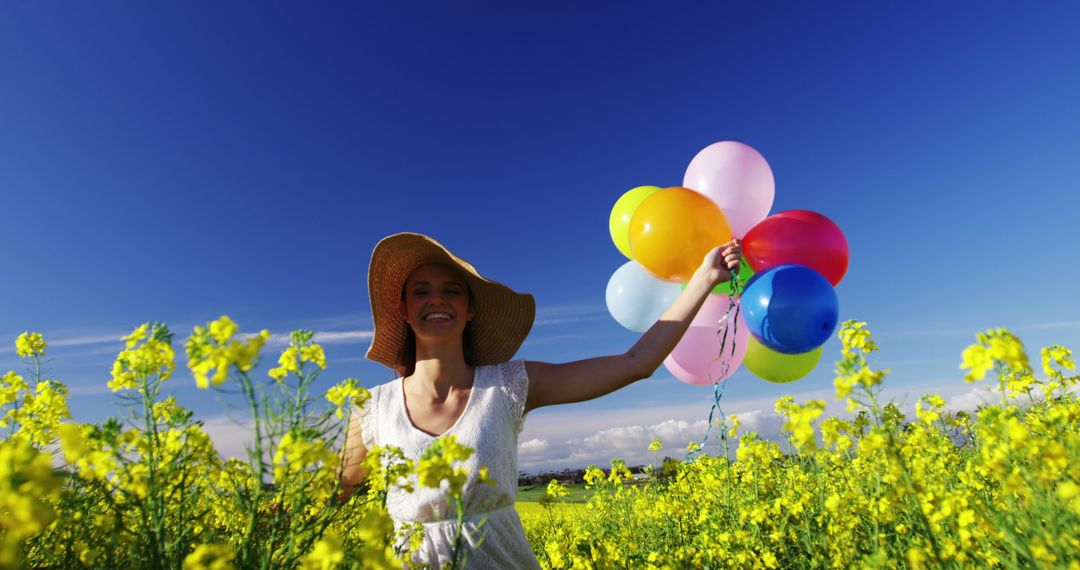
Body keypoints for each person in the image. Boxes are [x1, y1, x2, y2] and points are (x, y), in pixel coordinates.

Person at [338, 232, 742, 568]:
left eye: (452, 291)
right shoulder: (372, 409)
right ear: (404, 310)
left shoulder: (509, 384)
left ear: (470, 309)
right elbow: (323, 497)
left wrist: (704, 278)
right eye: (421, 292)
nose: (436, 300)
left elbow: (635, 363)